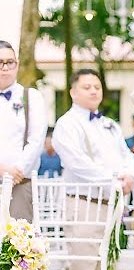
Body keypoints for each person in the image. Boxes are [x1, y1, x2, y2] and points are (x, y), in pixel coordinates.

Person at [52, 69, 134, 270]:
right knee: (84, 264)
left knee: (109, 264)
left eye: (97, 87)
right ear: (73, 92)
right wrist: (114, 178)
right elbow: (77, 163)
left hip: (112, 206)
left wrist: (130, 175)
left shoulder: (110, 125)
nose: (93, 91)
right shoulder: (66, 124)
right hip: (83, 205)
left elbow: (126, 155)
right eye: (87, 87)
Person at [0, 40, 47, 222]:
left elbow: (36, 140)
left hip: (20, 183)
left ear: (17, 64)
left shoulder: (31, 97)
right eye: (0, 62)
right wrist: (3, 169)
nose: (5, 68)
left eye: (9, 62)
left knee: (19, 245)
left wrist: (16, 171)